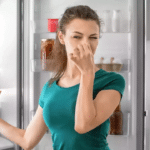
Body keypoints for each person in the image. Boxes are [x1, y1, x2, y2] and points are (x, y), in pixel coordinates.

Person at [0, 5, 126, 150]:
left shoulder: (111, 81)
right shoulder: (50, 87)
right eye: (77, 36)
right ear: (61, 37)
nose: (86, 44)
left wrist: (87, 73)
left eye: (93, 37)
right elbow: (27, 140)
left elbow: (82, 125)